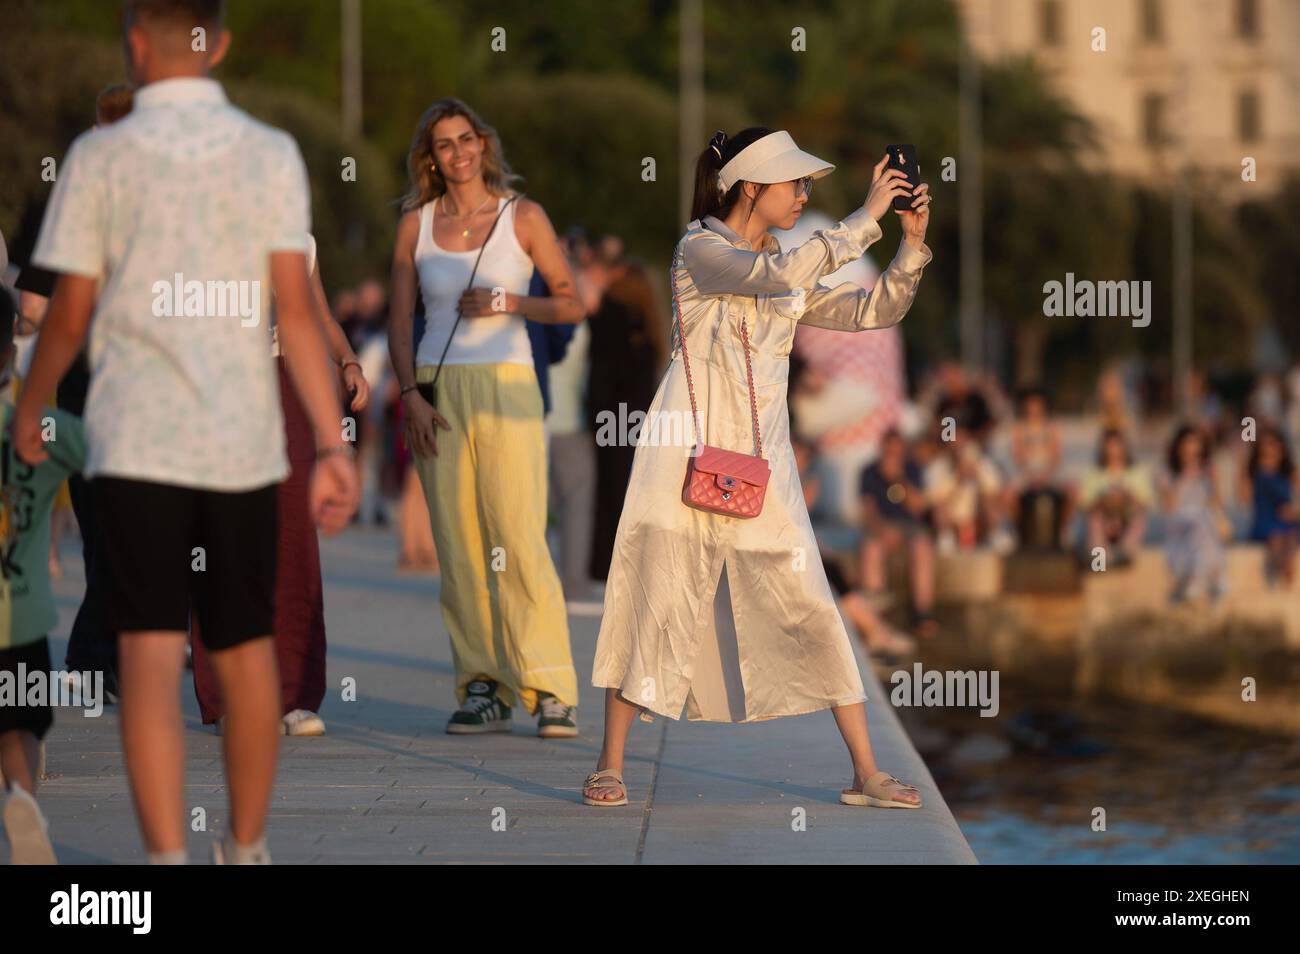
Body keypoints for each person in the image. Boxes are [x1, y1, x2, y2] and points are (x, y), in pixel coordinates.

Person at [13, 0, 358, 864]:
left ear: (134, 42)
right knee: (245, 655)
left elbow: (66, 310)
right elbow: (296, 310)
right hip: (240, 442)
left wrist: (33, 402)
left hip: (136, 445)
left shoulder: (99, 155)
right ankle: (244, 846)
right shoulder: (268, 154)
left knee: (150, 653)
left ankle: (165, 857)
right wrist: (330, 440)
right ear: (222, 45)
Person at [586, 127, 933, 809]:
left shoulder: (790, 265)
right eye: (794, 183)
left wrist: (911, 245)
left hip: (761, 457)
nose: (805, 193)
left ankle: (865, 771)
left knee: (810, 600)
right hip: (681, 449)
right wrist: (864, 219)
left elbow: (873, 311)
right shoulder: (700, 249)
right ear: (750, 186)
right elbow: (769, 276)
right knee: (654, 592)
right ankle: (610, 762)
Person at [387, 97, 582, 737]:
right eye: (444, 144)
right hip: (437, 391)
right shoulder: (414, 224)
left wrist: (509, 300)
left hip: (509, 383)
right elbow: (396, 318)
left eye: (466, 138)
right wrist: (409, 394)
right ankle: (481, 686)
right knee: (459, 545)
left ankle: (550, 688)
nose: (458, 152)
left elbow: (571, 304)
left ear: (482, 144)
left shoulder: (522, 216)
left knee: (518, 535)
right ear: (431, 158)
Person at [192, 235, 369, 737]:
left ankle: (295, 694)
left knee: (293, 536)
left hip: (283, 380)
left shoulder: (295, 235)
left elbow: (316, 315)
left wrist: (349, 361)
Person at [12, 82, 135, 698]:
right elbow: (33, 304)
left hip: (107, 387)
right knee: (119, 527)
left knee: (117, 527)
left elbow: (32, 306)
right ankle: (96, 661)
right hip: (114, 387)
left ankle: (102, 659)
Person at [0, 285, 88, 865]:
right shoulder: (41, 429)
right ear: (9, 353)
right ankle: (22, 800)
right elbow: (98, 453)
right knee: (22, 726)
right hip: (23, 615)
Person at [858, 428, 936, 635]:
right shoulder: (869, 471)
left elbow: (918, 507)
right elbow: (868, 511)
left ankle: (923, 612)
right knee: (871, 549)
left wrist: (900, 478)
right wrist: (883, 530)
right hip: (882, 525)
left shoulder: (912, 469)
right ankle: (875, 616)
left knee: (923, 547)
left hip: (909, 526)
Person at [1160, 424, 1228, 602]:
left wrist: (1214, 483)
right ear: (1179, 447)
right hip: (1179, 523)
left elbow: (1218, 505)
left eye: (1195, 443)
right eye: (1187, 443)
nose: (1191, 449)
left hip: (1203, 524)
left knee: (1203, 522)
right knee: (1200, 522)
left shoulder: (1207, 471)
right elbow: (1170, 508)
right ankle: (1215, 578)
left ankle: (1199, 578)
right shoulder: (1167, 472)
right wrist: (1186, 477)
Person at [1077, 428, 1152, 565]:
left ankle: (1124, 555)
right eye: (1109, 446)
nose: (1113, 450)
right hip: (1103, 522)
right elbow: (1085, 505)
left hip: (1126, 522)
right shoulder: (1094, 473)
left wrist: (1127, 496)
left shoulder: (1136, 472)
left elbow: (1145, 503)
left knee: (1139, 518)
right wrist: (1104, 500)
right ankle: (1098, 564)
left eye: (1117, 445)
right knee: (1094, 519)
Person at [1239, 425, 1300, 585]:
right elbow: (1244, 499)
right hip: (1264, 521)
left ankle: (1284, 573)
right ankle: (1278, 575)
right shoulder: (1253, 470)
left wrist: (1294, 511)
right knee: (1278, 538)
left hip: (1286, 521)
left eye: (1273, 443)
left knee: (1290, 536)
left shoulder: (1289, 472)